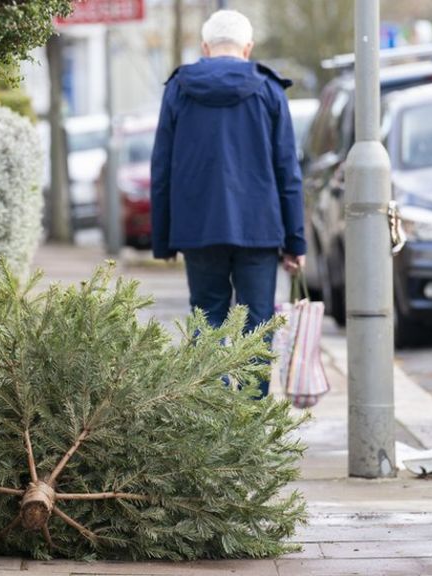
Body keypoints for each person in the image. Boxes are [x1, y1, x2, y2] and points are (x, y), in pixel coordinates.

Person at [150, 9, 306, 397]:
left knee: (207, 321)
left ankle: (212, 420)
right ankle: (250, 426)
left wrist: (164, 239)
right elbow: (287, 170)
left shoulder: (179, 89)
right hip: (259, 229)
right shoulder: (269, 90)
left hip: (198, 229)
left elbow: (162, 168)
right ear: (248, 48)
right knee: (257, 326)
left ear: (205, 48)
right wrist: (295, 241)